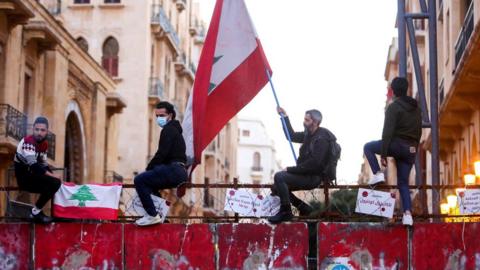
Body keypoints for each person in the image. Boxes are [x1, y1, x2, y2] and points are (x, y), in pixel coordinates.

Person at [363, 77, 422, 226]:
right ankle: (407, 215)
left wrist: (383, 153)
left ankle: (377, 174)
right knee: (403, 183)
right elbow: (419, 131)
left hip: (396, 145)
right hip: (411, 149)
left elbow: (387, 132)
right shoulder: (416, 108)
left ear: (393, 91)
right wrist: (414, 149)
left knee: (368, 147)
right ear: (406, 89)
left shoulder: (394, 107)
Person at [268, 107, 336, 224]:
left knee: (280, 177)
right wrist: (284, 117)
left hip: (313, 177)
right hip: (305, 174)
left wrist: (290, 169)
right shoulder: (308, 134)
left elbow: (315, 164)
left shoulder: (322, 139)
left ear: (315, 123)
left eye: (307, 120)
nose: (304, 122)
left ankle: (286, 212)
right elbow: (291, 136)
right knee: (276, 187)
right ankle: (304, 208)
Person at [134, 101, 188, 226]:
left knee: (140, 180)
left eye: (162, 115)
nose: (159, 118)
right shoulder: (175, 130)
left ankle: (152, 215)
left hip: (174, 169)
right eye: (157, 116)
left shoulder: (169, 130)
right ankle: (160, 215)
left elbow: (162, 153)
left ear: (170, 115)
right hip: (179, 171)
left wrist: (149, 168)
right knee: (151, 187)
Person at [14, 116, 61, 223]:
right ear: (33, 129)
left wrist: (54, 177)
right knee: (54, 182)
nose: (39, 133)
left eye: (42, 130)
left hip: (33, 176)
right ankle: (35, 213)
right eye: (37, 129)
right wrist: (53, 176)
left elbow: (43, 164)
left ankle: (36, 212)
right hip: (24, 178)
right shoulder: (28, 142)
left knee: (56, 183)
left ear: (47, 132)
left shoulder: (44, 145)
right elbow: (34, 165)